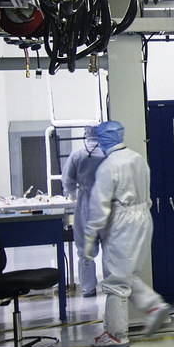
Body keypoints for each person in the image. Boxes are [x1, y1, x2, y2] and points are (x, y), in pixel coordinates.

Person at [83, 120, 171, 347]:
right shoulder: (137, 158)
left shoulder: (108, 166)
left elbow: (99, 208)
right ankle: (153, 306)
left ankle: (115, 334)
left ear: (103, 140)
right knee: (127, 272)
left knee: (115, 281)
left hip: (122, 222)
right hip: (144, 217)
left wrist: (88, 241)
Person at [61, 123, 105, 297]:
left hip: (86, 203)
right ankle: (112, 287)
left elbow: (67, 180)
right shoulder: (108, 153)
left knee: (85, 249)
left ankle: (88, 288)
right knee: (110, 249)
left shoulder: (77, 154)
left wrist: (73, 194)